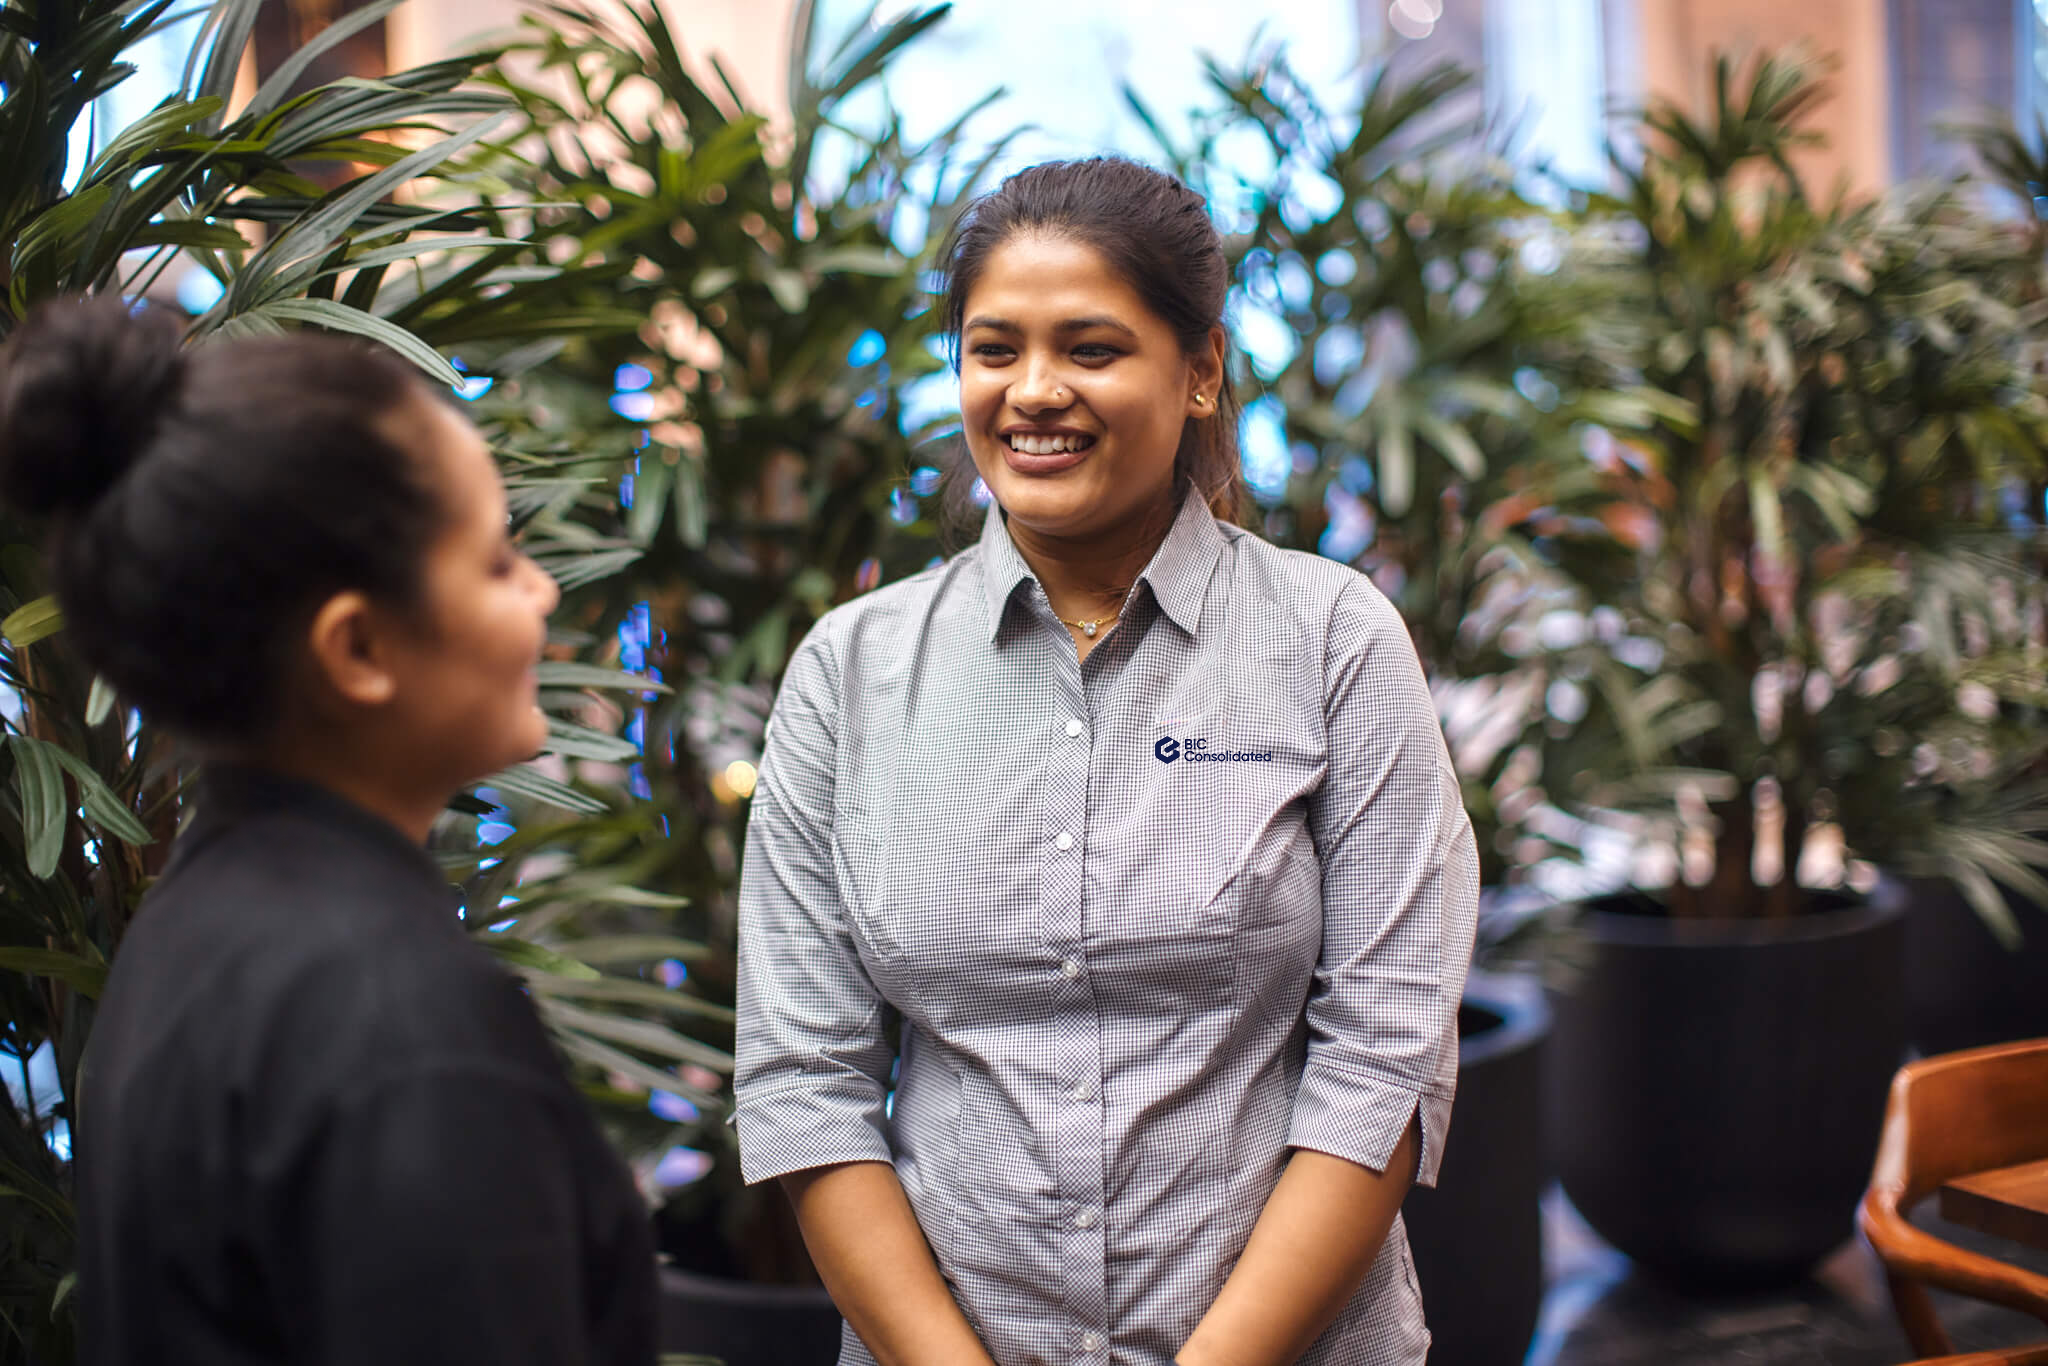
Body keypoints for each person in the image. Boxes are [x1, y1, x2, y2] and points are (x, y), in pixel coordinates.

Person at [734, 157, 1479, 1366]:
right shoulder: (849, 671)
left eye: (1089, 348)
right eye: (992, 349)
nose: (1032, 393)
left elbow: (1382, 1060)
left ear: (1197, 373)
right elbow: (801, 1079)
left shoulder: (1330, 639)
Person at [0, 297, 657, 1365]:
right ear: (356, 649)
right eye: (495, 562)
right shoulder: (404, 1026)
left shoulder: (188, 934)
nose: (541, 592)